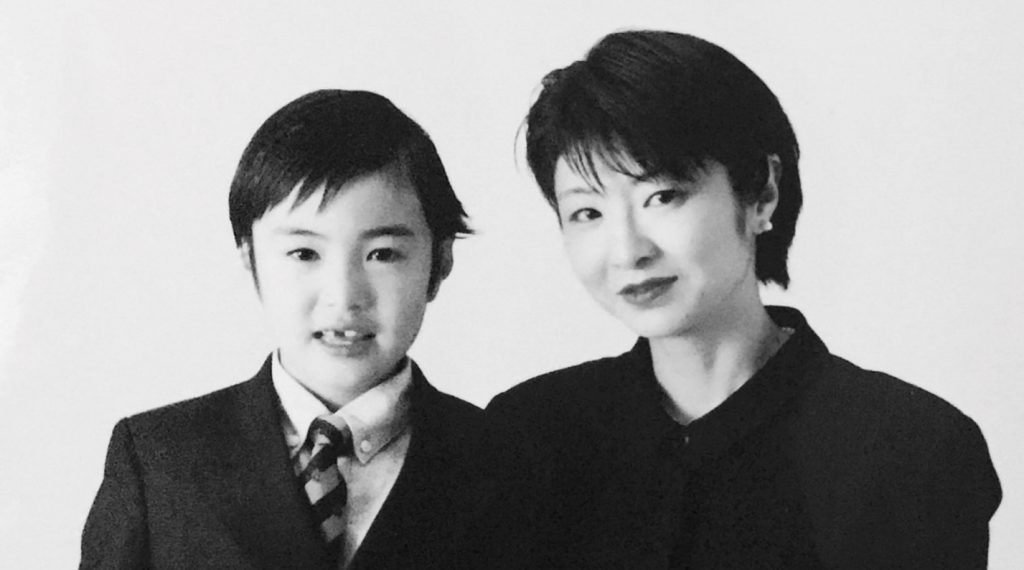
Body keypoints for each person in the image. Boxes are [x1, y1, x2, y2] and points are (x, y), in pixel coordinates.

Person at [486, 30, 1002, 568]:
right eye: (587, 213)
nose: (627, 250)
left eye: (662, 196)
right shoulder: (529, 437)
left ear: (761, 192)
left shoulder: (913, 449)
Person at [81, 90, 491, 569]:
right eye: (304, 254)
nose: (343, 296)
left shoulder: (501, 459)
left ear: (440, 263)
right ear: (250, 260)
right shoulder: (159, 460)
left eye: (382, 254)